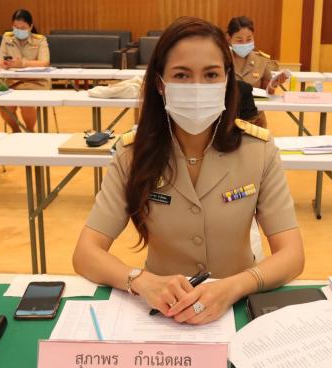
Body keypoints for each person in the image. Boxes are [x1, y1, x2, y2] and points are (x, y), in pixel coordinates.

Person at [73, 16, 304, 325]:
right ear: (160, 83)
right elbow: (86, 253)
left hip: (238, 307)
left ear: (227, 79)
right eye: (181, 75)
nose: (197, 87)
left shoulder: (258, 150)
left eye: (211, 75)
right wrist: (140, 281)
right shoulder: (132, 154)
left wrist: (234, 286)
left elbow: (292, 255)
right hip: (160, 312)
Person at [227, 16, 288, 128]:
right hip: (227, 119)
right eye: (239, 40)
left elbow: (267, 94)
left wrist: (273, 85)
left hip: (256, 121)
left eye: (249, 39)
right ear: (229, 39)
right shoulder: (222, 60)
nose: (244, 44)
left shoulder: (261, 61)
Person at [0, 9, 50, 132]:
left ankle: (30, 131)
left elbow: (44, 62)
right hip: (12, 82)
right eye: (16, 27)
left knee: (26, 103)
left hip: (35, 82)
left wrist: (22, 64)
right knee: (4, 105)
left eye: (22, 28)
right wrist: (6, 64)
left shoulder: (40, 40)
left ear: (30, 27)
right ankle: (16, 131)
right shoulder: (7, 37)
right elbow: (0, 61)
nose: (18, 30)